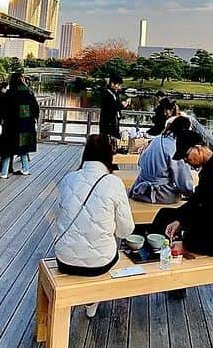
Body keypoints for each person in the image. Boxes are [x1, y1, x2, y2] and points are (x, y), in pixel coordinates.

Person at [53, 134, 134, 318]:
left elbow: (60, 216)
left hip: (64, 259)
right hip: (100, 263)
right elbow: (126, 230)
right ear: (109, 156)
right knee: (108, 246)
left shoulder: (68, 178)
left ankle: (86, 299)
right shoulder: (114, 182)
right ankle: (91, 301)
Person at [150, 130, 213, 256]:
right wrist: (179, 221)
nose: (185, 160)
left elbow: (210, 212)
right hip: (212, 218)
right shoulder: (212, 164)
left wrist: (186, 243)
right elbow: (198, 200)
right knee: (165, 215)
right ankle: (156, 250)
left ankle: (164, 254)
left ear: (198, 148)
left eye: (186, 156)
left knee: (178, 222)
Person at [130, 115, 196, 204]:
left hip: (140, 188)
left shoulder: (156, 139)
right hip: (159, 193)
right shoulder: (175, 147)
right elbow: (183, 178)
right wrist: (190, 192)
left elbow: (140, 162)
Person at [0, 72, 39, 178]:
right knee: (23, 149)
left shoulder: (10, 93)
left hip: (11, 125)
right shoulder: (29, 92)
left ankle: (4, 172)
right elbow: (36, 109)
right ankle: (25, 169)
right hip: (26, 124)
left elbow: (3, 109)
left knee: (7, 149)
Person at [98, 74, 127, 142]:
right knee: (106, 141)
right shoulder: (106, 94)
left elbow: (116, 105)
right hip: (107, 123)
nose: (119, 87)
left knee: (114, 141)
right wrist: (122, 105)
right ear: (112, 84)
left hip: (114, 122)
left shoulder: (114, 94)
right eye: (118, 85)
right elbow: (112, 107)